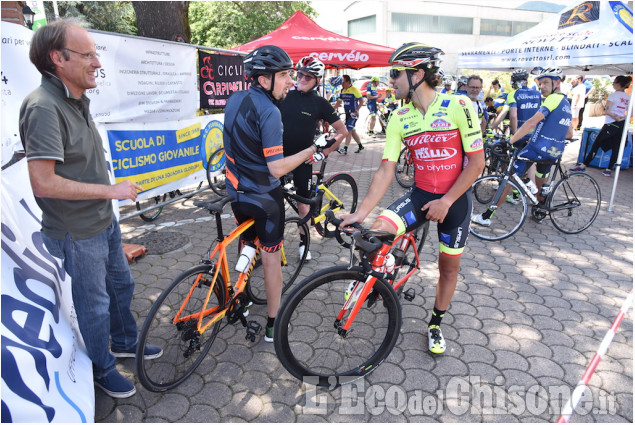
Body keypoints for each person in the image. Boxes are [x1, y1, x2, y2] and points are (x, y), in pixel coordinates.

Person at [19, 18, 162, 399]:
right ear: (57, 58)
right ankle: (101, 368)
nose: (97, 62)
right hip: (78, 232)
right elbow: (43, 182)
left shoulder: (76, 99)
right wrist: (111, 190)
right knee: (94, 305)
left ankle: (125, 342)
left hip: (103, 221)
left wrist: (107, 199)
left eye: (96, 53)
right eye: (88, 54)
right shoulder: (43, 107)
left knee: (122, 285)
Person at [340, 42, 485, 355]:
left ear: (418, 74)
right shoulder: (399, 117)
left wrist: (446, 201)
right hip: (420, 195)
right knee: (376, 231)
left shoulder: (459, 105)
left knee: (448, 268)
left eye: (396, 73)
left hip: (454, 201)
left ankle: (435, 324)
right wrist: (361, 213)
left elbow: (476, 163)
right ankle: (384, 273)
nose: (391, 81)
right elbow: (384, 171)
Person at [223, 45, 336, 343]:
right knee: (271, 259)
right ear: (264, 79)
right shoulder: (269, 111)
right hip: (263, 198)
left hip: (236, 193)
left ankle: (242, 300)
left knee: (246, 244)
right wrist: (314, 149)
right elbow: (276, 169)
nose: (290, 80)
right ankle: (274, 324)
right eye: (285, 74)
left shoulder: (234, 100)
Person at [472, 67, 573, 226]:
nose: (542, 87)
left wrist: (509, 141)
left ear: (557, 82)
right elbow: (569, 134)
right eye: (540, 83)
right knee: (541, 181)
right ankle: (540, 208)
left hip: (537, 148)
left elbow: (531, 122)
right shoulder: (566, 102)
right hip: (554, 151)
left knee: (509, 177)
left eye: (546, 83)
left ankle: (486, 217)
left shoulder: (552, 99)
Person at [279, 56, 347, 259]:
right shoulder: (284, 96)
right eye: (299, 74)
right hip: (279, 158)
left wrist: (323, 152)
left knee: (302, 204)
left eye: (308, 77)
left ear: (317, 80)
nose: (302, 78)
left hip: (303, 159)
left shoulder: (319, 103)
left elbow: (341, 131)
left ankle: (304, 243)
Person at [570, 75, 632, 177]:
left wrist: (615, 117)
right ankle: (608, 169)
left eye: (614, 83)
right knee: (616, 148)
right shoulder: (628, 97)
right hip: (622, 125)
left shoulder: (613, 96)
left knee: (596, 145)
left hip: (610, 124)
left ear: (618, 84)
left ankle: (583, 165)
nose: (613, 85)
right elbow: (630, 113)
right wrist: (622, 118)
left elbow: (607, 110)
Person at [335, 75, 365, 154]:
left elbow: (361, 101)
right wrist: (333, 109)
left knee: (348, 130)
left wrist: (357, 109)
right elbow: (339, 101)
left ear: (348, 82)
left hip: (353, 114)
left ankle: (345, 149)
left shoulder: (354, 90)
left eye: (343, 82)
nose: (342, 84)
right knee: (353, 131)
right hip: (347, 113)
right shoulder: (342, 90)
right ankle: (360, 146)